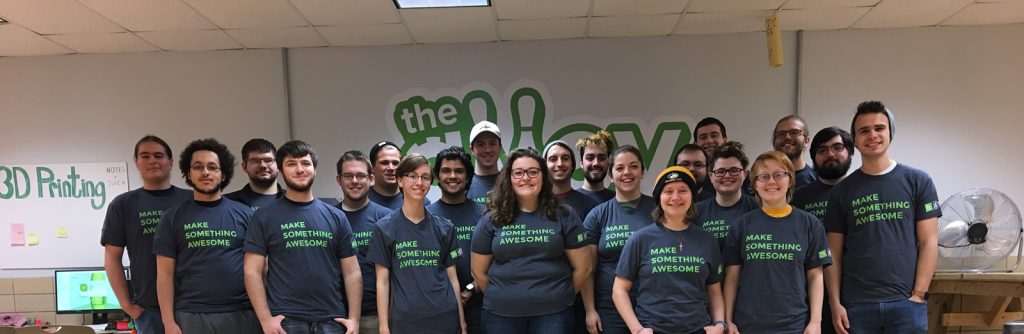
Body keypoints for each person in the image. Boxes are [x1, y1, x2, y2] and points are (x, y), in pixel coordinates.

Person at [824, 101, 939, 334]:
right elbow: (832, 253)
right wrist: (835, 303)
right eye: (864, 130)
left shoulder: (918, 181)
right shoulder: (841, 192)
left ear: (890, 133)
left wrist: (919, 294)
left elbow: (929, 242)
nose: (872, 135)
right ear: (855, 140)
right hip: (856, 307)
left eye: (879, 128)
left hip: (906, 304)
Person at [243, 140, 362, 334]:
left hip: (332, 320)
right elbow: (252, 272)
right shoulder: (264, 216)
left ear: (315, 170)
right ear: (281, 171)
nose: (300, 169)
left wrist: (354, 320)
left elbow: (352, 272)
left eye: (305, 163)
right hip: (286, 321)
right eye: (291, 164)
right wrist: (265, 320)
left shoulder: (336, 216)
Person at [471, 148, 594, 334]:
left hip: (554, 314)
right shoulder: (491, 218)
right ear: (509, 178)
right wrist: (505, 295)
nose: (525, 178)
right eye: (518, 173)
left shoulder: (565, 214)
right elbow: (478, 271)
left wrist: (559, 295)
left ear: (543, 176)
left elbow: (584, 267)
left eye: (532, 172)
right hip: (501, 315)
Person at [153, 138, 260, 334]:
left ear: (223, 173)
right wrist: (168, 322)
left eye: (212, 167)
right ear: (188, 173)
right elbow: (164, 275)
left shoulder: (246, 215)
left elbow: (261, 270)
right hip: (191, 315)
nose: (205, 172)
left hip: (242, 313)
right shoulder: (172, 218)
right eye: (198, 167)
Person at [722, 151, 831, 334]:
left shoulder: (810, 224)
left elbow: (815, 277)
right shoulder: (741, 225)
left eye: (779, 174)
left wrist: (815, 321)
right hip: (747, 326)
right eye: (763, 176)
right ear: (754, 184)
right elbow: (731, 278)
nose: (771, 181)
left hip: (794, 326)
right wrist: (728, 320)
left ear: (790, 180)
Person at [612, 166, 726, 334]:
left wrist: (720, 324)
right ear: (659, 197)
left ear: (692, 197)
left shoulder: (707, 240)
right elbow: (619, 290)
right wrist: (637, 330)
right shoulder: (640, 239)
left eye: (683, 190)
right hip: (652, 329)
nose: (675, 197)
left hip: (698, 329)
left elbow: (714, 291)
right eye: (668, 191)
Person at [101, 135, 192, 334]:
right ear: (137, 163)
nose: (153, 160)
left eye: (159, 155)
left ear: (170, 162)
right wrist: (128, 306)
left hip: (194, 308)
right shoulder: (123, 205)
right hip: (149, 312)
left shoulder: (191, 200)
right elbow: (112, 258)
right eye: (145, 156)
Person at [368, 153, 466, 334]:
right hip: (405, 322)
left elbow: (453, 279)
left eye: (425, 177)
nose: (419, 182)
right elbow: (382, 282)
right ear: (399, 181)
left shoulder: (444, 227)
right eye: (412, 176)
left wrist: (462, 323)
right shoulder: (384, 228)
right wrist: (383, 327)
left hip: (444, 318)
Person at [582, 145, 656, 334]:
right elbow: (588, 269)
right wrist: (590, 310)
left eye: (633, 166)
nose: (627, 173)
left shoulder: (659, 210)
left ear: (642, 172)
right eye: (620, 168)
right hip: (609, 309)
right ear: (610, 175)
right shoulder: (597, 215)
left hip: (653, 306)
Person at [427, 146, 487, 334]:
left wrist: (470, 288)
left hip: (482, 305)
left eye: (459, 171)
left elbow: (498, 260)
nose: (452, 176)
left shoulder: (485, 214)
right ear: (437, 176)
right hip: (438, 307)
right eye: (446, 170)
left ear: (468, 177)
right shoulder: (425, 216)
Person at [336, 150, 392, 334]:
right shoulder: (328, 218)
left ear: (372, 179)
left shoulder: (386, 218)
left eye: (360, 175)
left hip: (377, 316)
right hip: (336, 315)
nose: (354, 181)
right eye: (348, 175)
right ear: (339, 180)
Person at [694, 142, 759, 248]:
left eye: (734, 170)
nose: (727, 175)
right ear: (710, 176)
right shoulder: (696, 212)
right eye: (720, 171)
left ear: (745, 174)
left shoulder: (759, 207)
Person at [792, 126, 854, 221]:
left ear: (851, 154)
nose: (830, 154)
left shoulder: (863, 191)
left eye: (837, 148)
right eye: (822, 150)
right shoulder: (797, 198)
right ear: (813, 158)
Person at [544, 140, 599, 221]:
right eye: (553, 159)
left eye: (565, 158)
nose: (560, 164)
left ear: (572, 165)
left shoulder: (590, 205)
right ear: (544, 165)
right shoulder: (534, 203)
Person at [225, 138, 284, 211]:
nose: (263, 165)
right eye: (255, 161)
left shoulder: (295, 200)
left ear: (278, 165)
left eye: (269, 160)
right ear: (244, 167)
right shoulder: (226, 203)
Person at [773, 116, 818, 188]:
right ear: (774, 142)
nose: (787, 137)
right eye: (781, 134)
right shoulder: (762, 181)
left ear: (806, 141)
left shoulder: (817, 181)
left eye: (794, 132)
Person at [575, 130, 616, 204]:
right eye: (590, 158)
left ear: (608, 162)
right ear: (581, 163)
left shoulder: (617, 200)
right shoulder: (571, 201)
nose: (596, 163)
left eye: (602, 158)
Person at [467, 121, 502, 204]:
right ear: (472, 149)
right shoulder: (464, 185)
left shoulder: (511, 182)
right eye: (481, 144)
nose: (487, 150)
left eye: (492, 144)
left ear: (500, 147)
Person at [368, 141, 405, 210]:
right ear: (372, 168)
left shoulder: (416, 199)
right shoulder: (361, 200)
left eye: (395, 163)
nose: (391, 168)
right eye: (384, 163)